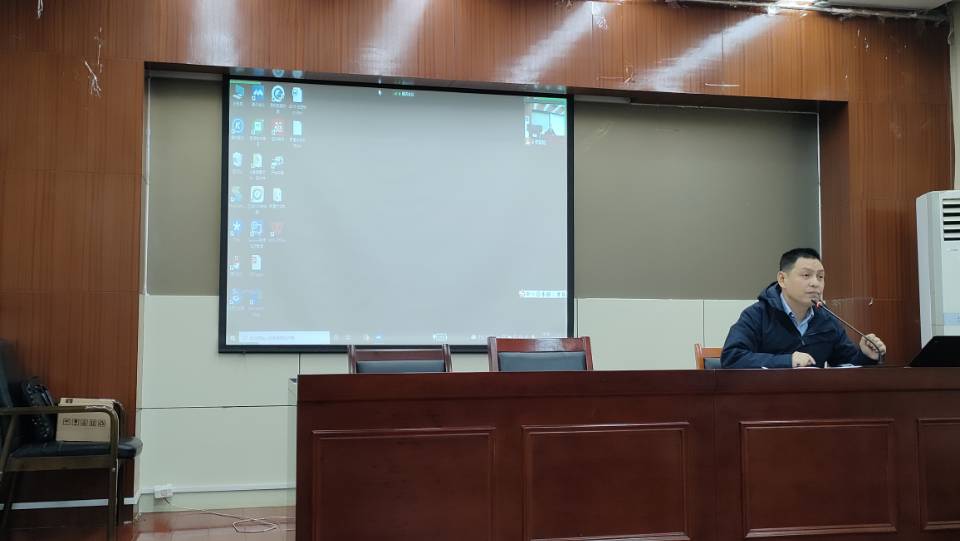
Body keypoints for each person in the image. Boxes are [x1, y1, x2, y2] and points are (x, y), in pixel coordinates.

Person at [721, 248, 887, 369]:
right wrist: (788, 361)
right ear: (782, 279)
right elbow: (732, 357)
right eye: (806, 275)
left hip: (812, 402)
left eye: (820, 277)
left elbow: (846, 363)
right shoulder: (758, 314)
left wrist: (866, 356)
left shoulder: (826, 319)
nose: (815, 283)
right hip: (767, 402)